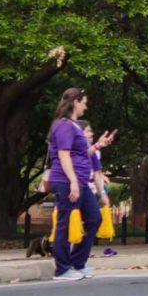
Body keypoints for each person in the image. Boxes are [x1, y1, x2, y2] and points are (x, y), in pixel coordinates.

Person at [48, 88, 100, 281]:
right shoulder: (63, 126)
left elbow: (81, 153)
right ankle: (62, 269)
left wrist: (97, 146)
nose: (85, 106)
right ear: (76, 102)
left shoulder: (75, 125)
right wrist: (73, 182)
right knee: (65, 223)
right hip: (67, 181)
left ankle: (78, 262)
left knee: (94, 218)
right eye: (84, 102)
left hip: (81, 181)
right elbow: (63, 154)